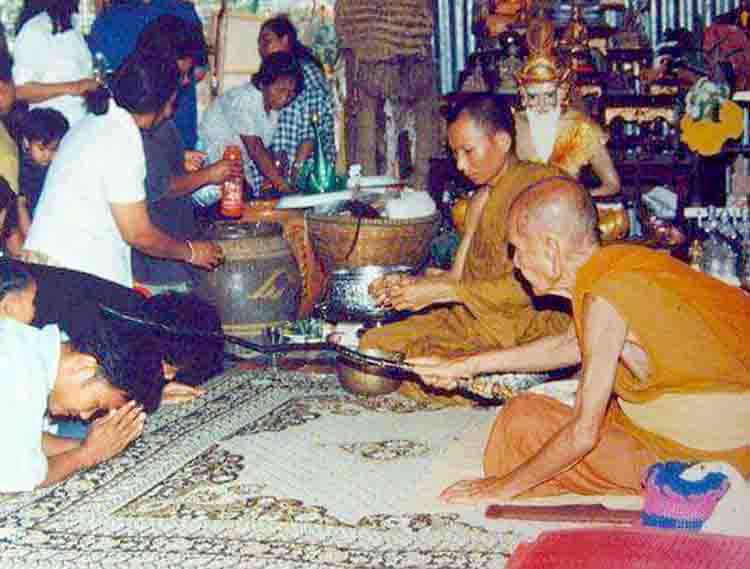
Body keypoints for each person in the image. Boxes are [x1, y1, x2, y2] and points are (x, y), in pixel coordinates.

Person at [409, 177, 750, 503]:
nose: (516, 263)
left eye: (518, 250)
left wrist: (502, 489)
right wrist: (462, 366)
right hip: (695, 424)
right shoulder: (615, 266)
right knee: (530, 413)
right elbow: (569, 345)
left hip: (709, 452)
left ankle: (683, 485)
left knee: (525, 429)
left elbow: (583, 433)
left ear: (552, 249)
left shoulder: (606, 296)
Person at [358, 93, 570, 403]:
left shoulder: (541, 191)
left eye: (468, 151)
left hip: (523, 325)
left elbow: (539, 285)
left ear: (502, 141)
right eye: (455, 153)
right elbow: (458, 277)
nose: (460, 165)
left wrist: (448, 292)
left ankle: (512, 376)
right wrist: (410, 286)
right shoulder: (480, 200)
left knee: (423, 363)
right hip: (471, 317)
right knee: (374, 344)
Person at [23, 53, 223, 288]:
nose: (170, 112)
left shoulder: (96, 120)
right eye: (171, 103)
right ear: (158, 103)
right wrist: (191, 251)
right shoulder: (120, 137)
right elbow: (138, 233)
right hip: (69, 272)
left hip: (49, 265)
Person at [0, 261, 146, 491]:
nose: (85, 415)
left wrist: (92, 445)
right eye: (95, 405)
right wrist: (87, 455)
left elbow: (21, 436)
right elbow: (15, 476)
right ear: (84, 366)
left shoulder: (27, 345)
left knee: (76, 432)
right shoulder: (24, 370)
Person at [131, 17, 241, 292]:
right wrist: (210, 175)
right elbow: (162, 186)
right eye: (182, 72)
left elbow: (155, 168)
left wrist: (179, 159)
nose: (184, 80)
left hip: (174, 247)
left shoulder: (157, 115)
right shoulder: (144, 117)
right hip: (158, 263)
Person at [513, 18, 620, 198]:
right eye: (533, 97)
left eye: (548, 95)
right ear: (523, 94)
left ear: (562, 92)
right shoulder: (512, 126)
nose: (541, 104)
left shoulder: (580, 127)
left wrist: (577, 198)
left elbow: (612, 184)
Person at [88, 0, 208, 149]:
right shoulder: (183, 11)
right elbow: (199, 72)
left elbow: (99, 79)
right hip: (175, 128)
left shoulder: (107, 20)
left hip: (126, 130)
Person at [198, 51, 304, 198]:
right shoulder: (244, 99)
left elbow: (262, 149)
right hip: (211, 167)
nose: (285, 97)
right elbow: (255, 148)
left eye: (291, 93)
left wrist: (276, 172)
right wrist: (281, 184)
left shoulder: (273, 111)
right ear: (263, 83)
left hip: (233, 167)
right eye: (280, 90)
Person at [256, 14, 336, 193]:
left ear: (285, 40)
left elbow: (312, 129)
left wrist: (296, 173)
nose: (261, 49)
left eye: (266, 41)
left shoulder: (307, 73)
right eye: (259, 43)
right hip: (282, 175)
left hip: (309, 175)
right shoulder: (275, 74)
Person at [12, 0, 99, 126]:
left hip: (83, 123)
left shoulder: (72, 24)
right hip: (53, 130)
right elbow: (21, 91)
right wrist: (75, 87)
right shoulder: (33, 30)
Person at [17, 107, 69, 216]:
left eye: (54, 149)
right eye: (41, 149)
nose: (47, 155)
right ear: (26, 142)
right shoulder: (23, 170)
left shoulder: (60, 163)